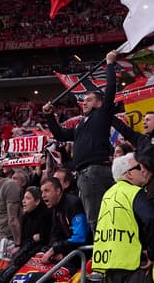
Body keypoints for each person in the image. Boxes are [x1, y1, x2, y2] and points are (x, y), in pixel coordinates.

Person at [43, 51, 118, 232]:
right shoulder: (81, 125)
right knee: (100, 215)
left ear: (99, 103)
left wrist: (109, 64)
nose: (84, 103)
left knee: (96, 217)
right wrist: (49, 117)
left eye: (89, 100)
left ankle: (101, 255)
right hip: (87, 173)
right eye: (83, 100)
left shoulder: (101, 115)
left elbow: (110, 91)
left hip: (94, 171)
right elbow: (61, 135)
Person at [92, 154, 154, 283]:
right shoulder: (134, 192)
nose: (142, 170)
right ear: (129, 174)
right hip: (134, 264)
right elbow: (150, 220)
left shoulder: (107, 194)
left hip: (110, 264)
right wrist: (152, 253)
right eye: (138, 167)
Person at [39, 177, 89, 271]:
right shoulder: (56, 209)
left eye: (46, 191)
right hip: (68, 254)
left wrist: (56, 249)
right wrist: (54, 250)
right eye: (42, 192)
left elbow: (80, 237)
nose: (43, 195)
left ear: (58, 191)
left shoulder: (73, 204)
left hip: (83, 258)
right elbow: (55, 235)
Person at [20, 186, 51, 250]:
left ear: (37, 202)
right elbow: (23, 241)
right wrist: (33, 239)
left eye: (27, 198)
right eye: (23, 198)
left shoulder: (46, 215)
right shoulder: (24, 217)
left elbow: (45, 240)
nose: (23, 201)